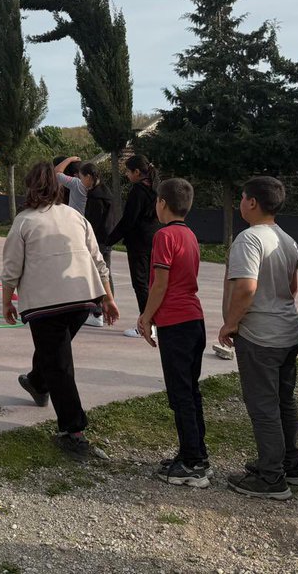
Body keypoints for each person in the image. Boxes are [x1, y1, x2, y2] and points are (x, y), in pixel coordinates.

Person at [3, 161, 120, 459]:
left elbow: (11, 268)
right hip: (83, 300)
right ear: (58, 189)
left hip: (45, 305)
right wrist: (107, 297)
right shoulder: (75, 216)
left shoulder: (24, 221)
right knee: (55, 353)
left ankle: (73, 431)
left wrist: (7, 300)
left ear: (30, 188)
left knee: (60, 363)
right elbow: (98, 259)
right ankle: (37, 383)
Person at [217, 176, 298, 500]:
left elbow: (246, 287)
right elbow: (292, 288)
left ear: (252, 202)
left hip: (261, 336)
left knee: (263, 405)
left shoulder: (249, 239)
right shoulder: (287, 240)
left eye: (241, 197)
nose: (239, 203)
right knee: (284, 400)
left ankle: (271, 477)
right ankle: (289, 464)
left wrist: (230, 323)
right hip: (288, 331)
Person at [138, 177, 210, 488]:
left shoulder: (163, 236)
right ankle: (194, 453)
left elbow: (161, 283)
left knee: (181, 393)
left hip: (176, 323)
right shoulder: (189, 235)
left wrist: (145, 316)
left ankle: (193, 464)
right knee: (190, 391)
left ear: (162, 204)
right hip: (194, 321)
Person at [108, 154, 160, 337]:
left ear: (137, 172)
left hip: (138, 242)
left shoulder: (138, 191)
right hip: (152, 239)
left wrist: (108, 240)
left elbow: (128, 220)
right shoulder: (154, 188)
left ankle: (146, 325)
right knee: (148, 282)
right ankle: (153, 322)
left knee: (140, 283)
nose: (127, 176)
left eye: (128, 172)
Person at [79, 162, 114, 328]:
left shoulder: (95, 197)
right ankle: (106, 309)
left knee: (98, 274)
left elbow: (93, 223)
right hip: (107, 239)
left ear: (88, 177)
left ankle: (98, 312)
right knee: (105, 273)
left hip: (99, 240)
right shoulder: (105, 192)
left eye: (81, 178)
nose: (81, 182)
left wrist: (86, 241)